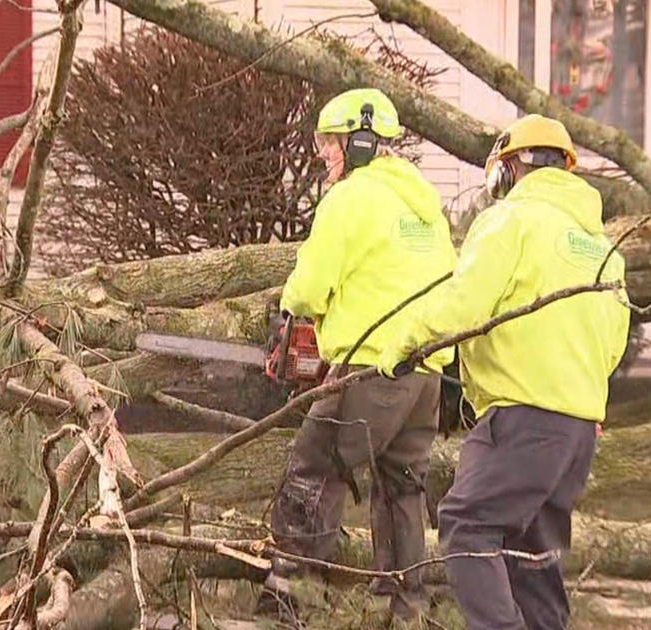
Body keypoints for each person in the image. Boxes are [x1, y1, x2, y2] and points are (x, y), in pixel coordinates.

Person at [380, 114, 630, 630]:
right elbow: (613, 342)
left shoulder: (509, 221)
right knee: (531, 554)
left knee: (466, 525)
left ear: (507, 170)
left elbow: (463, 303)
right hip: (579, 426)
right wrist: (582, 394)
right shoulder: (602, 248)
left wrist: (404, 346)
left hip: (521, 416)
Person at [258, 88, 457, 621]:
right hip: (426, 375)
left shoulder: (350, 198)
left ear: (362, 142)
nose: (324, 154)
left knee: (314, 470)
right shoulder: (427, 208)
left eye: (330, 143)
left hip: (371, 368)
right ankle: (406, 607)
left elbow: (309, 286)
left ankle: (289, 596)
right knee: (402, 491)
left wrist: (294, 309)